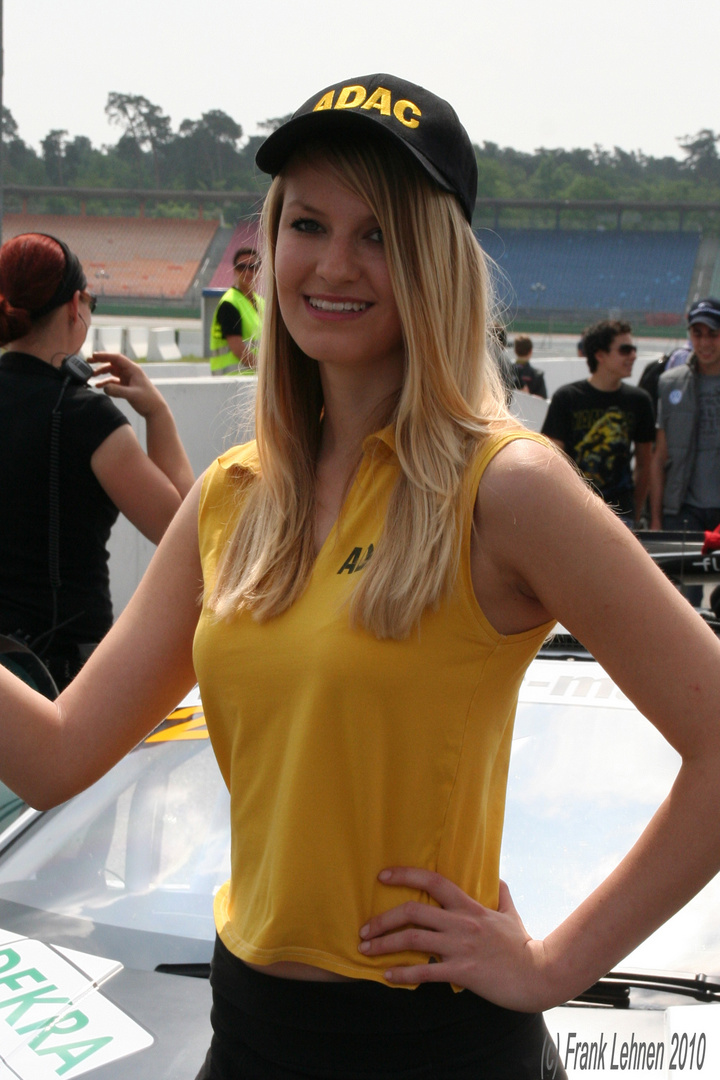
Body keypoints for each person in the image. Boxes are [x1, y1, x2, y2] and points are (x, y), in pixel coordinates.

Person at [2, 75, 720, 1080]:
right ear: (272, 238)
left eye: (378, 232)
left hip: (438, 1047)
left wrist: (556, 964)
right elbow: (56, 757)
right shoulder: (231, 499)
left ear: (434, 259)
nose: (334, 263)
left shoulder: (505, 489)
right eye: (308, 223)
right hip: (246, 1032)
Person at [0, 232, 194, 690]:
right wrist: (157, 413)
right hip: (60, 677)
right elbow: (186, 531)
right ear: (74, 305)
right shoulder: (85, 416)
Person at [541, 319, 655, 525]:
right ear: (600, 355)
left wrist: (634, 514)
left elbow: (644, 463)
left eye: (633, 349)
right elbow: (552, 461)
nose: (633, 356)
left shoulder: (639, 401)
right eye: (625, 350)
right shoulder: (567, 398)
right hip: (573, 511)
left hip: (621, 514)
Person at [650, 298, 720, 534]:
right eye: (697, 333)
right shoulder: (670, 383)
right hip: (682, 510)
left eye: (713, 333)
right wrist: (656, 521)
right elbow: (659, 457)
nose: (705, 342)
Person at [209, 247, 265, 375]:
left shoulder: (262, 303)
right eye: (241, 267)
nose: (247, 272)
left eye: (252, 266)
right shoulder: (230, 304)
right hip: (232, 382)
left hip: (252, 380)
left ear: (259, 270)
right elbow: (239, 350)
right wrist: (267, 370)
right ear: (234, 270)